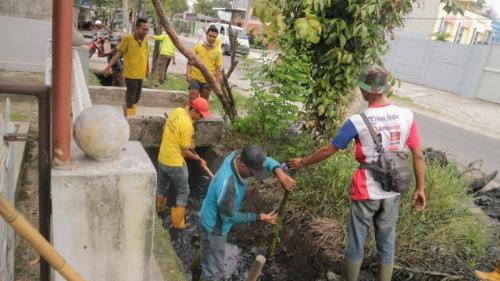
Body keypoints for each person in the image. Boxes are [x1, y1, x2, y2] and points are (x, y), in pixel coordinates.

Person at [289, 66, 426, 281]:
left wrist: (303, 162)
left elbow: (328, 150)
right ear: (385, 88)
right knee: (387, 241)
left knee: (356, 241)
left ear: (368, 91)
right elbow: (418, 154)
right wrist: (420, 188)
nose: (360, 92)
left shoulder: (358, 121)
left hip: (366, 191)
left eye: (362, 88)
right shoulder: (406, 115)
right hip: (393, 191)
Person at [192, 146, 296, 281]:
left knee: (207, 251)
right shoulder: (228, 185)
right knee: (213, 272)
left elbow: (266, 161)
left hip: (209, 211)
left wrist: (281, 174)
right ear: (243, 165)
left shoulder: (237, 155)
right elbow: (230, 216)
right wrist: (259, 217)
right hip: (214, 227)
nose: (254, 175)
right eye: (253, 172)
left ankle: (195, 271)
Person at [156, 97, 211, 230]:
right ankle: (178, 223)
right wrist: (199, 159)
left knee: (162, 185)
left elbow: (168, 129)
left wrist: (188, 142)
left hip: (162, 158)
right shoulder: (187, 126)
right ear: (194, 110)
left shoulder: (177, 111)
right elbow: (185, 152)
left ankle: (159, 210)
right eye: (200, 114)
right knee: (183, 191)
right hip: (175, 163)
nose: (200, 117)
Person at [104, 18, 149, 116]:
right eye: (143, 29)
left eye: (147, 29)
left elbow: (146, 55)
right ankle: (129, 117)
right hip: (130, 74)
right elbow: (118, 54)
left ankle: (127, 108)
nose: (146, 31)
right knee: (131, 98)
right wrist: (108, 67)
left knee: (136, 98)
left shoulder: (145, 40)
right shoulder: (128, 39)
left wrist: (147, 69)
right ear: (137, 28)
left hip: (140, 74)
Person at [187, 25, 223, 102]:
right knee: (193, 100)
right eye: (210, 36)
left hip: (208, 80)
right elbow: (190, 61)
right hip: (195, 78)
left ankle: (201, 114)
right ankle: (187, 113)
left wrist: (216, 82)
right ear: (206, 35)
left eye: (214, 37)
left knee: (203, 102)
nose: (212, 38)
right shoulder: (197, 47)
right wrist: (188, 74)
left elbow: (218, 68)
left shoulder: (218, 52)